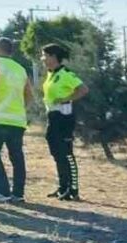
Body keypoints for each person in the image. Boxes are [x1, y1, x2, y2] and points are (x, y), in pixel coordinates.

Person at [0, 37, 32, 202]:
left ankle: (2, 190)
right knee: (17, 156)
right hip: (18, 119)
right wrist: (21, 109)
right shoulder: (20, 69)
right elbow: (29, 95)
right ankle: (18, 193)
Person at [41, 43, 87, 201]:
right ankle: (63, 187)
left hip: (64, 117)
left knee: (67, 153)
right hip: (52, 116)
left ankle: (73, 189)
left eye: (45, 56)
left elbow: (83, 89)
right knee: (57, 153)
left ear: (53, 57)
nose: (43, 59)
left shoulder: (66, 73)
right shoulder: (50, 74)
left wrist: (66, 99)